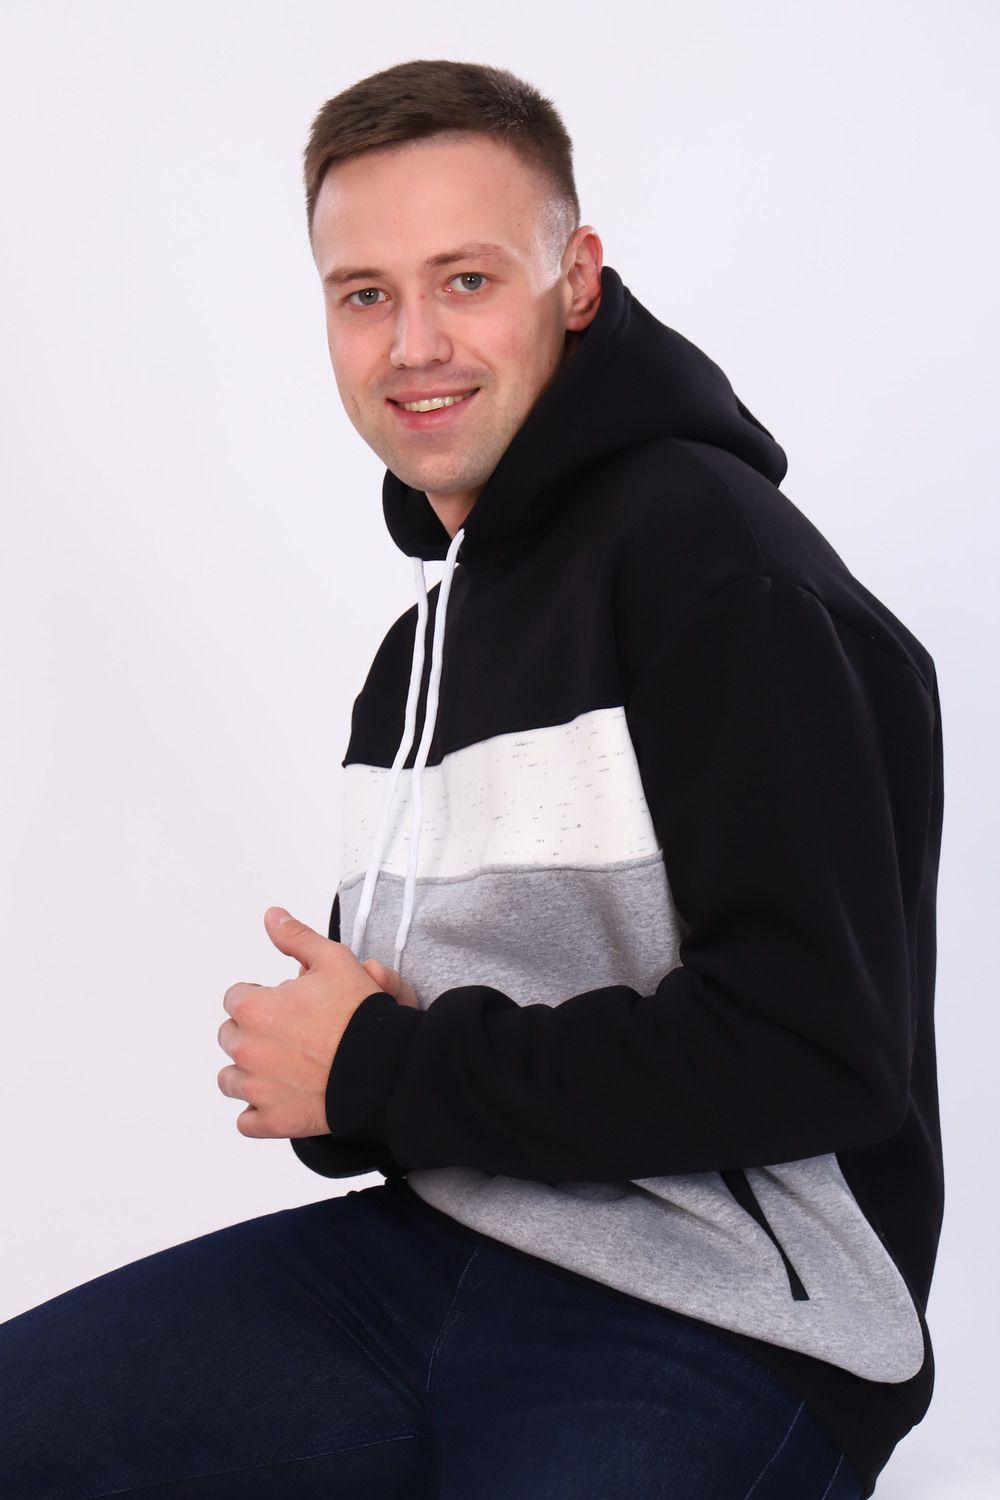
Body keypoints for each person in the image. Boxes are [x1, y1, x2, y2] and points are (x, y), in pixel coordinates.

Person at [0, 59, 944, 1500]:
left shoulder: (716, 565)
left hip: (729, 1310)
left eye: (466, 280)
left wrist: (372, 1066)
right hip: (435, 1255)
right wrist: (340, 1071)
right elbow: (400, 1062)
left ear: (577, 279)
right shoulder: (422, 651)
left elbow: (815, 1050)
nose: (413, 343)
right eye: (364, 294)